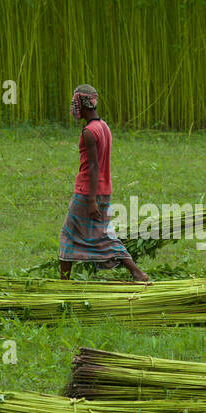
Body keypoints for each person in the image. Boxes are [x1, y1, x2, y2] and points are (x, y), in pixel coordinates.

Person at [58, 84, 150, 282]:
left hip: (87, 192)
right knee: (98, 233)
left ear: (82, 105)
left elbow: (93, 167)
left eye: (75, 104)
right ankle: (136, 272)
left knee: (71, 234)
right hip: (103, 190)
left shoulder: (89, 132)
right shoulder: (103, 126)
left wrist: (91, 201)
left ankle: (63, 282)